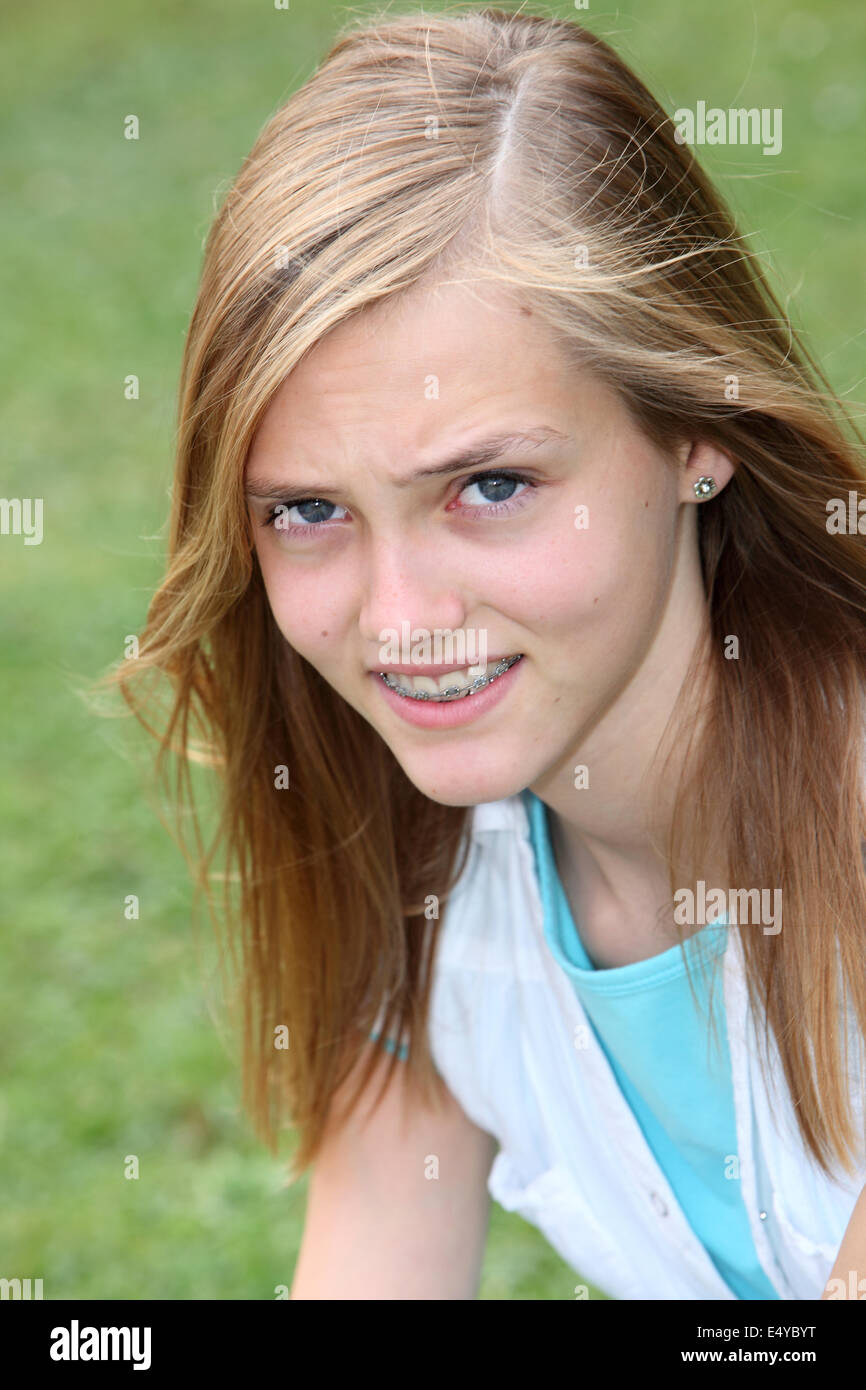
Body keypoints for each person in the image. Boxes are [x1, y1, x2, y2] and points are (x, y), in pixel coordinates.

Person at [96, 7, 866, 1299]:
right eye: (307, 511)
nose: (397, 619)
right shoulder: (423, 860)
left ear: (695, 434)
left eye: (490, 485)